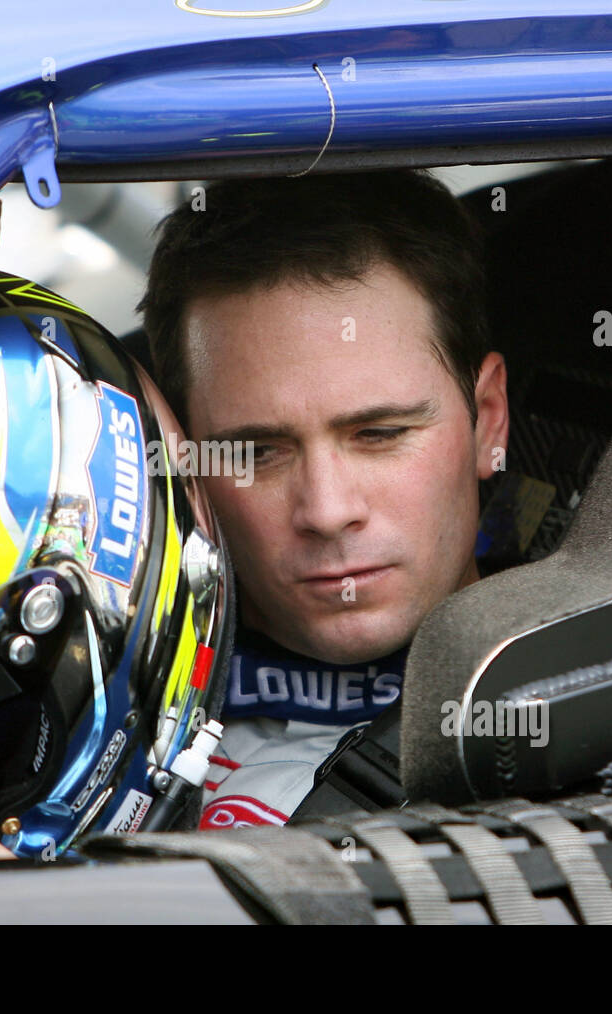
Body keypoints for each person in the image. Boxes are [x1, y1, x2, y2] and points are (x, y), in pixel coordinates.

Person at [135, 169, 509, 826]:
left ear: (489, 419)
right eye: (255, 453)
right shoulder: (100, 747)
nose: (328, 510)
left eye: (380, 433)